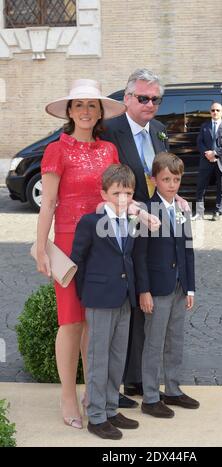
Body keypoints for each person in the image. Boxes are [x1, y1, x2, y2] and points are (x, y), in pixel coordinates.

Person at [35, 79, 127, 429]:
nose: (86, 111)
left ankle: (95, 392)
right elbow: (48, 205)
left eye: (92, 105)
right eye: (79, 105)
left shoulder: (109, 151)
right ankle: (68, 395)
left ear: (100, 112)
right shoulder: (56, 150)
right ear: (69, 112)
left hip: (103, 244)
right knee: (71, 320)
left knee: (95, 322)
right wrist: (41, 246)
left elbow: (118, 196)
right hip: (68, 246)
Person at [102, 68, 189, 408]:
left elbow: (164, 176)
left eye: (155, 99)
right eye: (143, 98)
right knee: (126, 305)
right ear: (126, 99)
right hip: (120, 231)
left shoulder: (161, 131)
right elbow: (107, 181)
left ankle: (140, 379)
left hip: (153, 233)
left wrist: (175, 198)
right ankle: (119, 384)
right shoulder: (109, 132)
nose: (150, 104)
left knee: (147, 302)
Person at [70, 164, 139, 440]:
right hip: (99, 299)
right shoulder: (90, 222)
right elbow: (78, 260)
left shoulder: (132, 221)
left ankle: (111, 407)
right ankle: (96, 415)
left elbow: (129, 258)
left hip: (124, 296)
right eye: (117, 193)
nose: (122, 198)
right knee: (98, 358)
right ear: (104, 194)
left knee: (117, 356)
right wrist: (87, 293)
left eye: (128, 193)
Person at [133, 152, 199, 418]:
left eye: (176, 179)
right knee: (154, 342)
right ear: (154, 180)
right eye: (166, 179)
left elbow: (188, 250)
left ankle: (172, 389)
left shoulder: (182, 209)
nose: (172, 184)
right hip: (157, 288)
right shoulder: (146, 211)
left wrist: (190, 287)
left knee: (175, 339)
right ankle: (150, 396)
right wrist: (144, 290)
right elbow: (139, 255)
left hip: (179, 287)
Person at [192, 102, 222, 221]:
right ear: (210, 112)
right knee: (201, 186)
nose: (215, 112)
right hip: (206, 160)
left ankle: (217, 212)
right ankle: (199, 212)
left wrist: (214, 153)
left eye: (217, 110)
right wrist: (207, 153)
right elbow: (199, 142)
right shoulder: (204, 126)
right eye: (212, 110)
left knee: (221, 188)